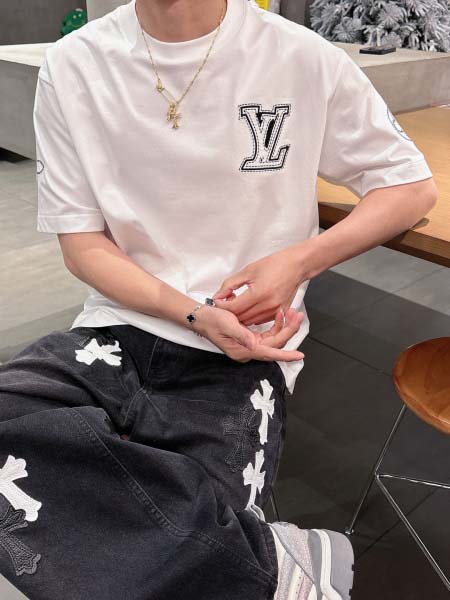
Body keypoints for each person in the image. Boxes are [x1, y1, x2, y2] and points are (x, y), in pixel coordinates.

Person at [0, 0, 437, 598]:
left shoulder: (300, 56)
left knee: (171, 531)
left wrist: (298, 260)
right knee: (184, 546)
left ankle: (225, 561)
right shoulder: (75, 63)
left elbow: (409, 186)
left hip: (246, 349)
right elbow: (82, 245)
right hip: (115, 328)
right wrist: (191, 313)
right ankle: (271, 567)